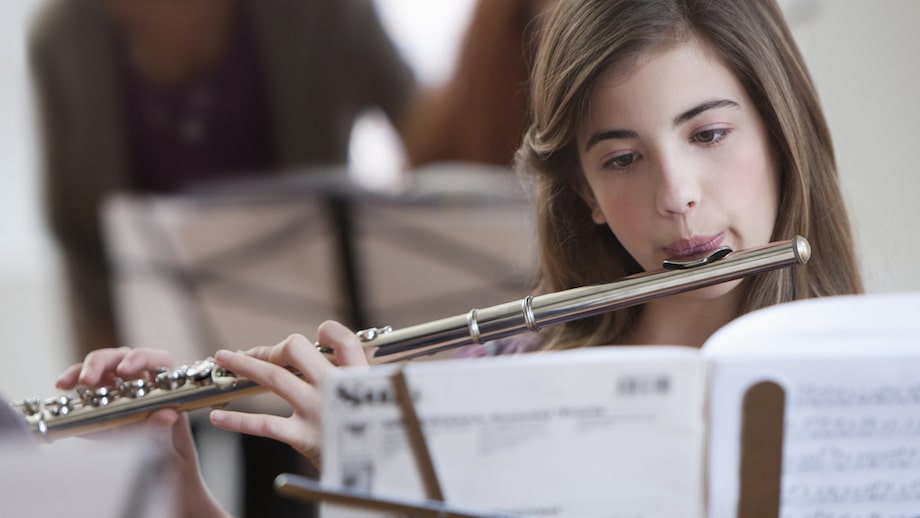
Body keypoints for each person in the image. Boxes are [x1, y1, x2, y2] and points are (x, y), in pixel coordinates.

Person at [55, 0, 863, 514]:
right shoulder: (490, 377)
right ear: (583, 190)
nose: (677, 194)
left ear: (781, 135)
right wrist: (177, 488)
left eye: (710, 134)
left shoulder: (871, 390)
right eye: (622, 158)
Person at [29, 1, 417, 516]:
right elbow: (75, 229)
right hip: (151, 339)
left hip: (298, 334)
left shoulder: (327, 12)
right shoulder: (62, 36)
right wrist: (109, 425)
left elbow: (426, 130)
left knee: (283, 492)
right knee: (158, 482)